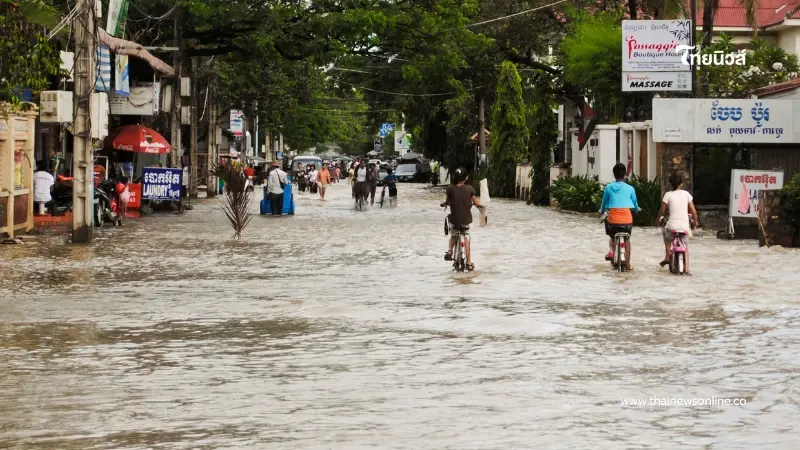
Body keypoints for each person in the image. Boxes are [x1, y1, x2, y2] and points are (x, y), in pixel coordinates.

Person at [440, 167, 483, 271]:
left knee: (453, 234)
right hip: (466, 221)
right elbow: (477, 204)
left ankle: (450, 251)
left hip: (455, 220)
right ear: (465, 178)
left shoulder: (450, 189)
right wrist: (482, 206)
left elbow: (447, 201)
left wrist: (445, 204)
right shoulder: (470, 189)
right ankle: (469, 264)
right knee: (466, 238)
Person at [599, 163, 640, 270]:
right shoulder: (630, 188)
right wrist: (636, 210)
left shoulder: (609, 187)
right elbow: (635, 204)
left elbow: (604, 203)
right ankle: (628, 264)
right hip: (627, 220)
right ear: (624, 174)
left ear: (614, 174)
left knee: (612, 236)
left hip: (613, 219)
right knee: (627, 240)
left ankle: (612, 251)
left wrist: (601, 211)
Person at [656, 172, 698, 272]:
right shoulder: (686, 194)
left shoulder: (667, 195)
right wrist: (695, 223)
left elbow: (662, 211)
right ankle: (686, 270)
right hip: (684, 227)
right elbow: (693, 211)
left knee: (666, 234)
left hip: (671, 226)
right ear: (681, 184)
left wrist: (657, 220)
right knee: (686, 247)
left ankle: (667, 255)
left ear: (670, 184)